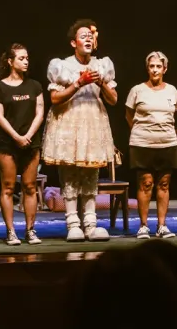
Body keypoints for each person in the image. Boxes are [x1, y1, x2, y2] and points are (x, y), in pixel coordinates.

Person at [42, 20, 117, 242]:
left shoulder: (101, 65)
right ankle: (73, 223)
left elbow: (113, 100)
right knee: (70, 174)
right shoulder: (63, 66)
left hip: (92, 121)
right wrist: (78, 83)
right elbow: (55, 98)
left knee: (90, 174)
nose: (88, 39)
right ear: (74, 42)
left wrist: (101, 83)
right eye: (83, 36)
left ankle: (91, 224)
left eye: (90, 36)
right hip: (70, 121)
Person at [125, 51, 177, 239]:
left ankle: (162, 226)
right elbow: (128, 115)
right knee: (146, 183)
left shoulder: (172, 90)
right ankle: (143, 226)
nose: (155, 70)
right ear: (147, 68)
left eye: (159, 66)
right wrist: (142, 132)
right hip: (142, 143)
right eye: (152, 66)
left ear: (165, 69)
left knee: (164, 184)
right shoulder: (137, 90)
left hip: (167, 142)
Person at [0, 43, 45, 246]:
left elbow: (40, 113)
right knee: (7, 187)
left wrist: (28, 135)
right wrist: (16, 137)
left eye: (27, 58)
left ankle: (30, 230)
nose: (26, 62)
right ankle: (11, 232)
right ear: (10, 61)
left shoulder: (35, 86)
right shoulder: (0, 87)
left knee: (30, 186)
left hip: (31, 142)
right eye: (21, 58)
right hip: (8, 143)